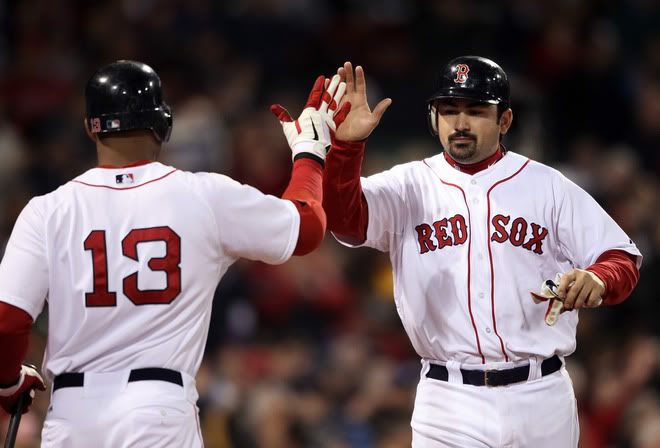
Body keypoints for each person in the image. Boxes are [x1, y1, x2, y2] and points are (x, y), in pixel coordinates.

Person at [0, 59, 348, 446]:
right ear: (163, 124)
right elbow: (307, 228)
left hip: (74, 414)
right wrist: (309, 154)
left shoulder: (47, 210)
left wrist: (8, 383)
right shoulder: (204, 195)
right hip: (158, 409)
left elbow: (7, 321)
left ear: (89, 127)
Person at [322, 56, 641, 447]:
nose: (459, 122)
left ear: (504, 121)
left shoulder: (548, 186)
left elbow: (621, 257)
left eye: (475, 111)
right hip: (449, 399)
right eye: (449, 110)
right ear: (433, 118)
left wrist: (597, 277)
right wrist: (346, 149)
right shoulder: (407, 186)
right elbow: (345, 221)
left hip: (540, 395)